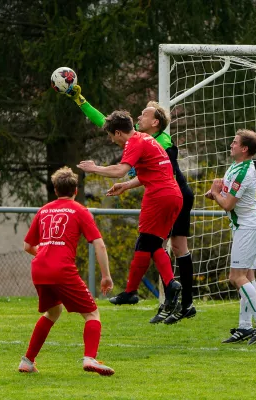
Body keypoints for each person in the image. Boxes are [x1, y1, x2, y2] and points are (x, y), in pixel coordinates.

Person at [68, 86, 196, 324]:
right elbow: (152, 170)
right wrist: (126, 186)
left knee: (148, 242)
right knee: (151, 243)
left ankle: (145, 289)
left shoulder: (137, 142)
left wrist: (94, 167)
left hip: (160, 195)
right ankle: (157, 289)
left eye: (110, 136)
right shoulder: (146, 138)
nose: (110, 139)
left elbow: (120, 170)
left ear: (118, 133)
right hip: (171, 194)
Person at [18, 167, 115, 376]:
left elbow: (27, 246)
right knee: (92, 313)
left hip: (39, 268)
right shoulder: (80, 210)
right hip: (60, 269)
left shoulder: (43, 210)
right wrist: (106, 276)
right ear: (76, 190)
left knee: (53, 311)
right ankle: (90, 358)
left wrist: (46, 256)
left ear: (55, 190)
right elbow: (99, 245)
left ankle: (27, 361)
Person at [206, 129, 256, 345]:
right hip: (244, 226)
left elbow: (227, 204)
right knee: (248, 276)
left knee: (236, 277)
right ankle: (245, 326)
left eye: (235, 142)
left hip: (248, 227)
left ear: (244, 149)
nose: (231, 144)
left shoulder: (244, 171)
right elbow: (226, 193)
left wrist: (216, 193)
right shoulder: (236, 166)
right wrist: (216, 191)